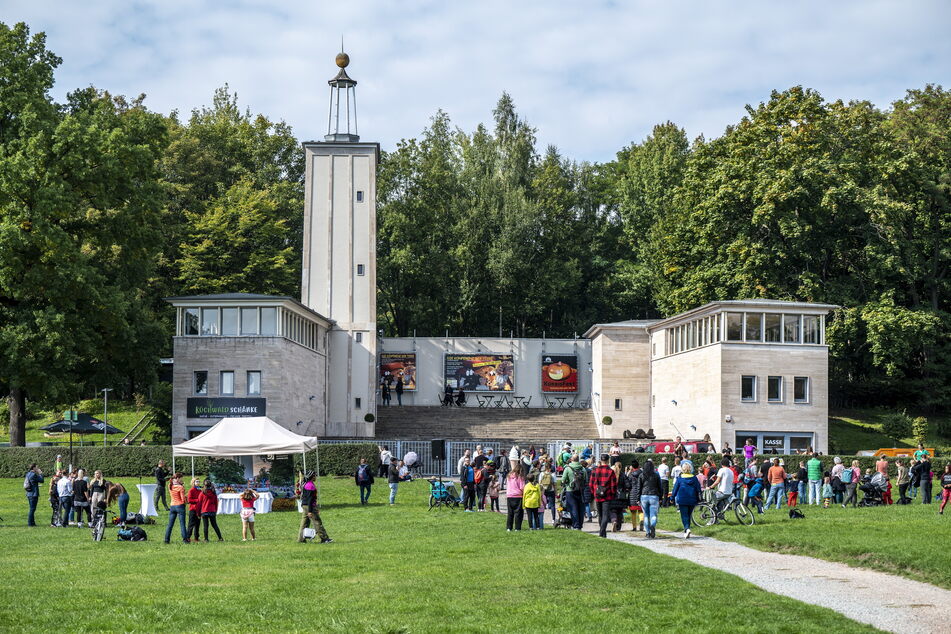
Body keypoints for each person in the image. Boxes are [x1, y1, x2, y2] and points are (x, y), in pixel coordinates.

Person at [298, 471, 332, 543]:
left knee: (304, 523)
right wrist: (310, 511)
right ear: (312, 477)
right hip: (309, 506)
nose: (315, 477)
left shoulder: (306, 484)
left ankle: (300, 539)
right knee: (317, 522)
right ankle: (324, 538)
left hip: (304, 505)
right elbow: (310, 499)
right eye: (315, 476)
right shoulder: (310, 485)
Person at [589, 454, 618, 538]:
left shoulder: (595, 470)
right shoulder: (610, 471)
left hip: (597, 495)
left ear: (601, 460)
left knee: (600, 514)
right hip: (607, 495)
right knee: (605, 514)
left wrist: (593, 492)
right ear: (608, 460)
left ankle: (602, 531)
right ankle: (602, 531)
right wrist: (613, 493)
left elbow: (590, 483)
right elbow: (613, 485)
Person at [672, 461, 701, 539]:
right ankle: (687, 529)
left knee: (684, 515)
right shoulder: (694, 478)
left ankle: (687, 529)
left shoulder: (680, 479)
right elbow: (698, 488)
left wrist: (672, 497)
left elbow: (675, 489)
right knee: (689, 515)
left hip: (682, 499)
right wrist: (699, 498)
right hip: (692, 499)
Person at [560, 456, 586, 530]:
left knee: (573, 508)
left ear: (571, 459)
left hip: (570, 490)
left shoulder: (568, 468)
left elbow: (563, 480)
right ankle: (580, 525)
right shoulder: (582, 468)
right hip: (580, 490)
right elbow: (586, 479)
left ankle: (576, 525)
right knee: (580, 508)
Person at [638, 459, 662, 539]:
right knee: (653, 515)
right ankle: (652, 526)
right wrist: (661, 497)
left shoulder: (641, 475)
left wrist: (638, 498)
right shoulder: (656, 475)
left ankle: (648, 532)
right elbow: (660, 487)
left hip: (644, 496)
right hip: (654, 496)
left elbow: (639, 488)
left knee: (646, 515)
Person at [163, 473, 190, 544]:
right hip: (180, 506)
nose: (182, 479)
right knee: (182, 524)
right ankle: (185, 539)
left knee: (170, 524)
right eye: (181, 478)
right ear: (178, 478)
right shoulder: (180, 487)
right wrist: (186, 499)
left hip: (172, 506)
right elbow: (182, 499)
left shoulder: (170, 485)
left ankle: (166, 539)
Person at [506, 464, 526, 531]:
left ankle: (509, 527)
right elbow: (522, 487)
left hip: (509, 495)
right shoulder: (520, 477)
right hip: (518, 495)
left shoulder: (509, 476)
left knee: (510, 513)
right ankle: (517, 527)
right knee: (518, 513)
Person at [627, 460, 644, 531]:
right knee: (640, 510)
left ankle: (634, 527)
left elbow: (628, 484)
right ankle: (641, 520)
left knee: (633, 512)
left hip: (632, 494)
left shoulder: (631, 475)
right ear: (638, 465)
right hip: (641, 493)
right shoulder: (642, 474)